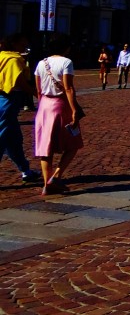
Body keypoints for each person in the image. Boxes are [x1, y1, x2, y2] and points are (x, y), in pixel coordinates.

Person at [33, 34, 84, 195]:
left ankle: (46, 183)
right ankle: (56, 176)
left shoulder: (41, 63)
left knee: (45, 146)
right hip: (60, 104)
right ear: (66, 47)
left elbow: (39, 90)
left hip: (44, 106)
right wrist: (74, 109)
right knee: (73, 143)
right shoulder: (66, 62)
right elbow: (68, 88)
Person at [0, 33, 42, 183]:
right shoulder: (14, 60)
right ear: (15, 44)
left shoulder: (2, 56)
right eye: (23, 43)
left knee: (14, 140)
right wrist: (36, 94)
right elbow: (19, 82)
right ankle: (25, 169)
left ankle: (25, 170)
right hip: (9, 99)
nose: (25, 46)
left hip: (4, 98)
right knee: (2, 136)